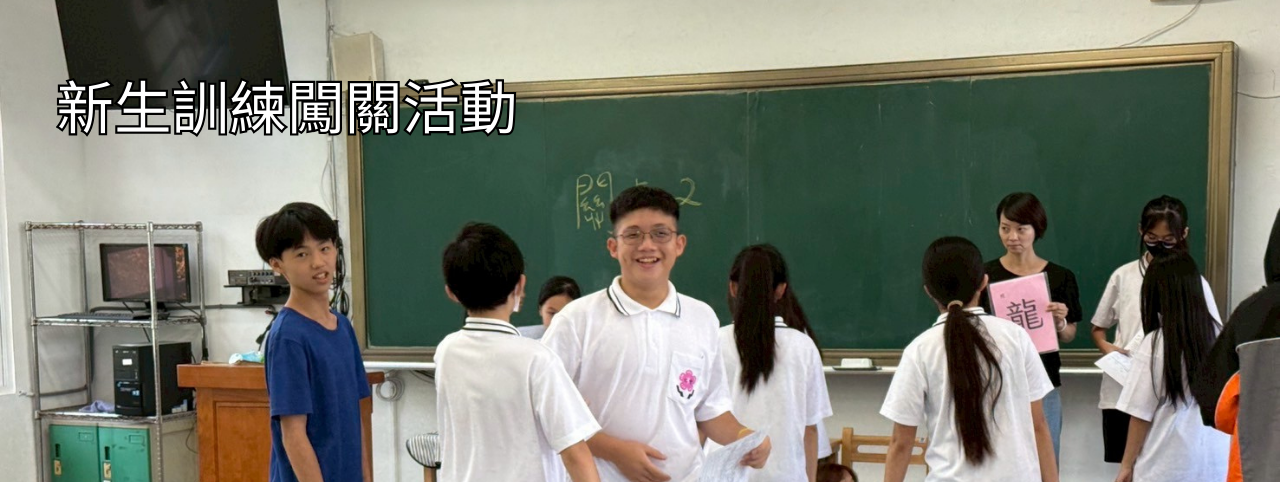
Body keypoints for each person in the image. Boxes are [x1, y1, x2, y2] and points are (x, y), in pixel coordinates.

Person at [542, 186, 771, 482]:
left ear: (679, 244)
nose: (647, 245)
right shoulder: (577, 320)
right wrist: (614, 451)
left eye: (661, 233)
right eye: (633, 234)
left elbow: (710, 411)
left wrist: (746, 438)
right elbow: (546, 411)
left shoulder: (702, 318)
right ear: (613, 246)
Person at [881, 236, 1057, 482]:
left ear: (928, 291)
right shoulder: (1016, 337)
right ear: (984, 282)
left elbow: (901, 442)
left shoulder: (919, 350)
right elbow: (1039, 425)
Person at [434, 223, 601, 481]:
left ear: (451, 293)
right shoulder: (537, 359)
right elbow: (576, 454)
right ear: (520, 286)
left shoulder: (446, 351)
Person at [1090, 195, 1221, 464]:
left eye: (1168, 240)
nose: (1159, 245)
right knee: (1125, 466)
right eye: (1152, 237)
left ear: (1183, 234)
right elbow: (1097, 329)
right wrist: (1111, 351)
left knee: (1161, 462)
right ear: (1141, 231)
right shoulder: (1124, 275)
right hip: (1122, 388)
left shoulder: (1194, 282)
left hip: (1172, 396)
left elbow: (1212, 340)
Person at [257, 202, 371, 482]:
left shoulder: (342, 327)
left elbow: (357, 415)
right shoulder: (288, 337)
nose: (318, 262)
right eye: (302, 254)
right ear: (277, 264)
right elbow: (293, 434)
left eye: (325, 248)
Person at [978, 192, 1082, 463]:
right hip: (998, 384)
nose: (1012, 237)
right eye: (1005, 228)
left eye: (1021, 229)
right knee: (1000, 463)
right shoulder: (985, 276)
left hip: (1044, 383)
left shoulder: (1060, 277)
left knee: (1046, 461)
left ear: (1037, 229)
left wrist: (1059, 322)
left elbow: (1069, 334)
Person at [719, 244, 833, 482]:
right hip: (786, 475)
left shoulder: (714, 342)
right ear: (781, 290)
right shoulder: (803, 346)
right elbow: (810, 429)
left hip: (724, 475)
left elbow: (699, 421)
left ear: (733, 288)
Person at [1113, 252, 1228, 482]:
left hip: (1167, 463)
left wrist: (1126, 465)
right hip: (1217, 460)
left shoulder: (1156, 342)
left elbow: (1140, 414)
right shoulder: (1221, 336)